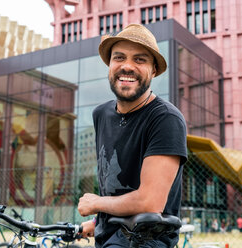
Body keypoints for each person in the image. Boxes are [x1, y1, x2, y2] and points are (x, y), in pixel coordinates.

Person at [77, 24, 188, 248]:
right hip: (108, 237)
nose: (127, 66)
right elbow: (115, 187)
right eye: (119, 57)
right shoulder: (101, 114)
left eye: (140, 60)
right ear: (110, 64)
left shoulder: (166, 119)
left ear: (154, 70)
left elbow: (150, 202)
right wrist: (99, 221)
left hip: (146, 240)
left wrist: (96, 203)